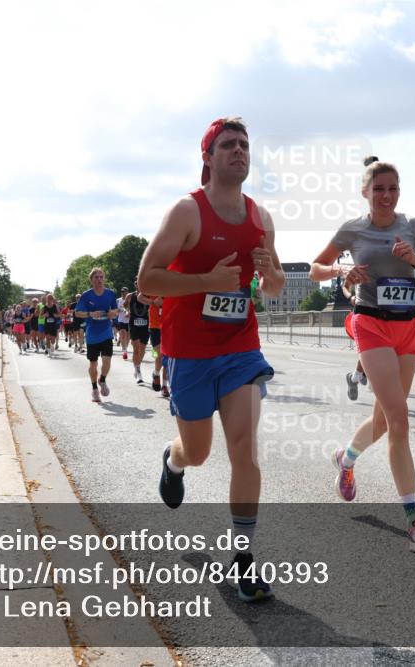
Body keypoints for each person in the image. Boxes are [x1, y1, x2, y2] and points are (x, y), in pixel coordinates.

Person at [138, 116, 286, 602]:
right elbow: (147, 281)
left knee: (244, 450)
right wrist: (205, 282)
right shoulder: (186, 212)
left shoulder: (260, 218)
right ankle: (173, 460)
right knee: (198, 452)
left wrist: (269, 275)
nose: (238, 151)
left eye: (244, 144)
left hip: (240, 348)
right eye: (228, 144)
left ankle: (244, 559)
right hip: (189, 352)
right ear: (208, 157)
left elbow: (275, 286)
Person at [311, 155, 415, 553]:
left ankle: (346, 458)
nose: (385, 195)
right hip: (370, 322)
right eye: (378, 189)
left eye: (392, 189)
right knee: (400, 419)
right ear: (365, 192)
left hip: (409, 325)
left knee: (385, 421)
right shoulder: (353, 230)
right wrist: (342, 273)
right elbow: (315, 268)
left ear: (399, 192)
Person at [75, 268, 119, 402]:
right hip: (92, 334)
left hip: (106, 332)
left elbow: (116, 310)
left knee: (107, 361)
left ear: (104, 278)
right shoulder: (86, 295)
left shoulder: (110, 294)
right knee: (93, 364)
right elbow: (77, 313)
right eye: (96, 277)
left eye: (101, 277)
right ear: (92, 280)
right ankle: (94, 389)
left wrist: (113, 313)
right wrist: (90, 314)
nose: (99, 279)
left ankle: (102, 379)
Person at [340, 281, 367, 401]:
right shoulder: (360, 266)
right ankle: (356, 377)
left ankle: (357, 376)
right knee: (368, 350)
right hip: (366, 316)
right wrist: (351, 297)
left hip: (392, 317)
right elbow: (345, 286)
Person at [122, 283, 152, 384]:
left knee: (142, 349)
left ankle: (137, 365)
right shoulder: (130, 296)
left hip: (145, 324)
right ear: (135, 285)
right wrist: (127, 311)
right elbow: (125, 305)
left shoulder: (149, 295)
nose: (138, 285)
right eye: (137, 284)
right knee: (136, 349)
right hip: (134, 324)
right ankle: (139, 372)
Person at [147, 294, 168, 396]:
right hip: (154, 326)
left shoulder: (173, 288)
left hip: (169, 325)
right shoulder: (153, 287)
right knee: (157, 355)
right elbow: (139, 297)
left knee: (167, 357)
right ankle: (156, 373)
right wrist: (153, 302)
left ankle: (165, 385)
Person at [116, 288, 131, 359]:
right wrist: (117, 310)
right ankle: (124, 351)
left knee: (128, 336)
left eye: (125, 292)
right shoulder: (118, 300)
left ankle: (126, 348)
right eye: (122, 292)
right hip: (121, 320)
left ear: (128, 292)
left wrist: (129, 313)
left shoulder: (130, 299)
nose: (123, 293)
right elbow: (115, 309)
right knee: (122, 335)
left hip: (129, 320)